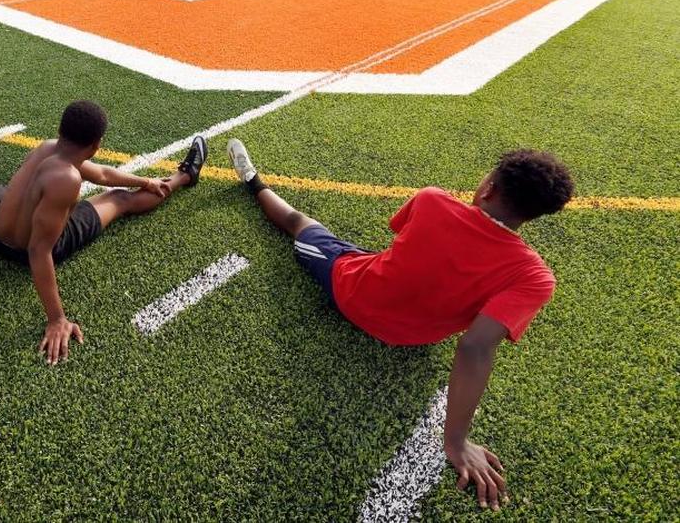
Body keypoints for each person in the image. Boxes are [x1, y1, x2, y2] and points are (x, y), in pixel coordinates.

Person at [226, 140, 574, 512]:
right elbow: (476, 346)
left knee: (301, 224)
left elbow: (406, 240)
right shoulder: (534, 276)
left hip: (354, 293)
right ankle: (258, 182)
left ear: (488, 188)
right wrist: (456, 442)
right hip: (416, 334)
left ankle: (253, 181)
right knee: (367, 257)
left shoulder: (432, 200)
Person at [0, 102, 208, 364]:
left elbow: (102, 174)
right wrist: (57, 319)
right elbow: (39, 249)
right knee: (119, 200)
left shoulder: (48, 147)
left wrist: (144, 181)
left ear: (60, 130)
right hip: (27, 250)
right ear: (97, 145)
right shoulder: (66, 178)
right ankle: (185, 176)